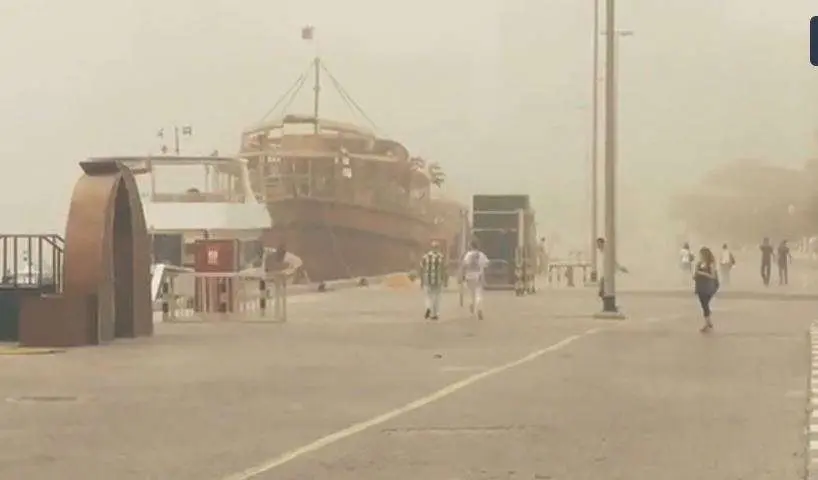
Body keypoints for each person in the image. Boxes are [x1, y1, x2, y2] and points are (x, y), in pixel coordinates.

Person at [461, 240, 490, 319]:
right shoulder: (481, 255)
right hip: (478, 276)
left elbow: (464, 264)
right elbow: (487, 263)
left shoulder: (468, 254)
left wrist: (462, 275)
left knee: (471, 293)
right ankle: (479, 308)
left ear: (471, 246)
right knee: (478, 293)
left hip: (469, 275)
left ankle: (471, 305)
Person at [693, 246, 719, 333]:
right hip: (700, 286)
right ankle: (708, 322)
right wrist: (696, 274)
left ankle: (707, 323)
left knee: (705, 304)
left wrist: (702, 273)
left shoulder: (710, 264)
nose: (700, 256)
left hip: (708, 286)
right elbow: (695, 274)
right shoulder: (699, 263)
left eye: (701, 254)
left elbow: (713, 276)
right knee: (703, 304)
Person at [420, 241, 447, 320]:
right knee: (437, 297)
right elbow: (443, 269)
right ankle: (434, 314)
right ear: (438, 248)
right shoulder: (441, 257)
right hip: (437, 279)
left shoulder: (425, 256)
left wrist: (422, 280)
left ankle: (428, 307)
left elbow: (422, 268)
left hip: (427, 279)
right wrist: (444, 280)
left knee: (428, 296)